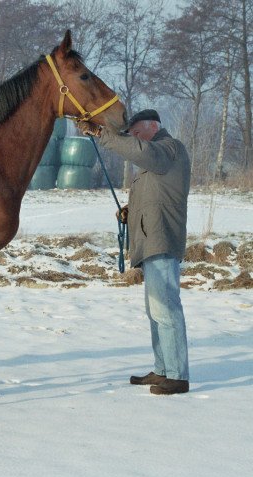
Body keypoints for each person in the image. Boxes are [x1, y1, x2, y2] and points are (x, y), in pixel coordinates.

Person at [78, 109, 191, 395]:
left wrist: (103, 133)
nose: (135, 136)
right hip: (150, 241)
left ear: (154, 126)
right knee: (155, 311)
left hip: (162, 240)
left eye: (138, 130)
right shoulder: (155, 160)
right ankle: (163, 369)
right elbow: (155, 196)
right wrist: (131, 211)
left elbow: (140, 151)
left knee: (166, 308)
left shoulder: (168, 148)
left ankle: (177, 375)